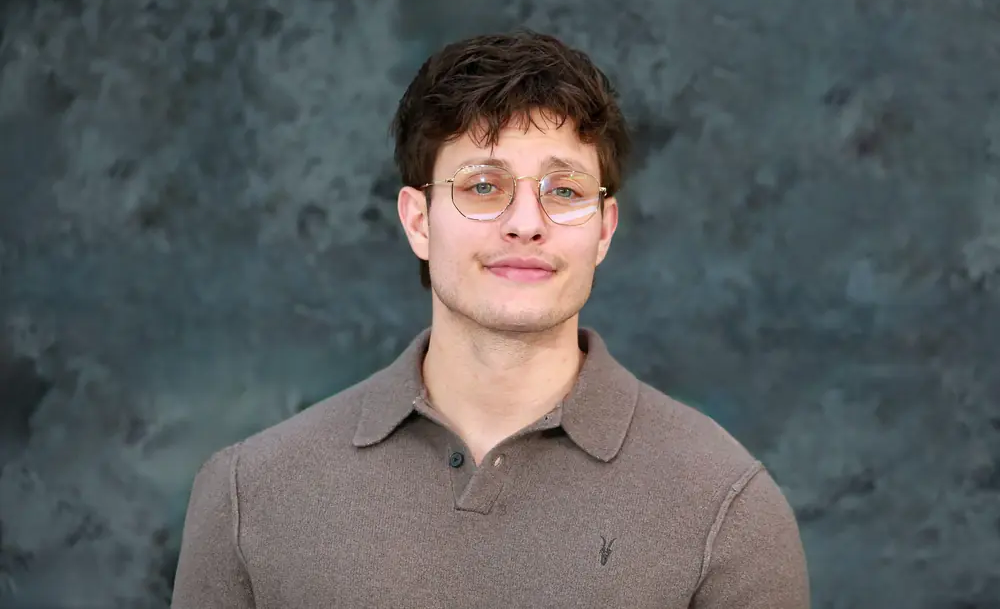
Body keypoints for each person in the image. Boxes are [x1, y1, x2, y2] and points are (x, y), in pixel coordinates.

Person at [171, 30, 810, 608]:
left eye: (564, 190)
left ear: (604, 229)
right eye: (483, 186)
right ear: (418, 220)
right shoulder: (248, 495)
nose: (526, 223)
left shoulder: (726, 506)